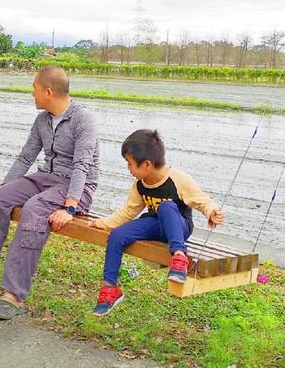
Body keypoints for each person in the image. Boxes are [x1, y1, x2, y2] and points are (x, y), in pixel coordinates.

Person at [0, 65, 99, 321]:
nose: (31, 94)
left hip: (75, 187)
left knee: (34, 209)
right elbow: (26, 157)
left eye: (34, 89)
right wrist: (1, 188)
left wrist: (70, 207)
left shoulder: (83, 120)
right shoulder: (43, 119)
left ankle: (14, 294)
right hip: (45, 178)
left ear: (48, 91)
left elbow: (82, 166)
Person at [88, 129, 225, 316]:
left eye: (129, 164)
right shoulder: (139, 184)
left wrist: (212, 212)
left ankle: (179, 257)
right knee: (117, 236)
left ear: (146, 164)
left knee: (166, 207)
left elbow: (202, 200)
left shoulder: (178, 179)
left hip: (179, 227)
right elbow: (129, 211)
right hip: (156, 226)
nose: (128, 169)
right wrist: (104, 223)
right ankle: (110, 288)